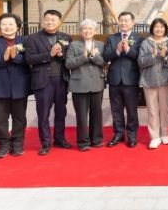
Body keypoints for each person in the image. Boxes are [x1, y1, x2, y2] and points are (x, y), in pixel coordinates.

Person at [0, 13, 31, 158]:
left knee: (19, 118)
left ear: (17, 26)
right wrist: (2, 58)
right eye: (3, 24)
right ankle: (3, 145)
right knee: (0, 119)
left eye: (11, 24)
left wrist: (16, 57)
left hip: (20, 85)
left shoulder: (25, 41)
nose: (7, 27)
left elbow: (30, 59)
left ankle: (17, 144)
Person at [25, 9, 72, 156]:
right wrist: (49, 54)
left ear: (59, 22)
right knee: (43, 113)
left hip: (61, 80)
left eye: (53, 20)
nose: (50, 22)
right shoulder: (32, 38)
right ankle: (45, 143)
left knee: (61, 112)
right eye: (47, 19)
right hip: (42, 80)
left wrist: (61, 54)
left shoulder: (66, 37)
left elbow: (69, 57)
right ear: (43, 20)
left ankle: (59, 139)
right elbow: (29, 58)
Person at [65, 19, 106, 151]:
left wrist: (94, 56)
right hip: (79, 84)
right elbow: (68, 64)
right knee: (82, 115)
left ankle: (96, 140)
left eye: (90, 29)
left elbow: (104, 63)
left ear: (95, 31)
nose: (87, 31)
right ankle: (83, 142)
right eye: (84, 29)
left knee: (97, 113)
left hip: (97, 83)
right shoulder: (74, 45)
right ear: (80, 31)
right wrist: (83, 57)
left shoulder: (100, 44)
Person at [103, 12, 142, 148]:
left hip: (131, 79)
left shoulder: (138, 39)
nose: (123, 23)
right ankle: (118, 134)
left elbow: (139, 57)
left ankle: (132, 135)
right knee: (116, 109)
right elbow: (105, 56)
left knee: (132, 110)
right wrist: (118, 51)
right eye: (121, 20)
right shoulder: (112, 38)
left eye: (126, 20)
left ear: (132, 23)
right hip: (114, 79)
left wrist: (128, 49)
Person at [138, 18, 168, 149]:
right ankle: (154, 137)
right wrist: (152, 55)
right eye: (156, 26)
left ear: (165, 29)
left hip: (165, 80)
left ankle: (164, 134)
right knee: (152, 110)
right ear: (152, 28)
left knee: (164, 109)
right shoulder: (146, 42)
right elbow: (140, 62)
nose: (159, 29)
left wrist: (164, 57)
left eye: (162, 27)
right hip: (149, 80)